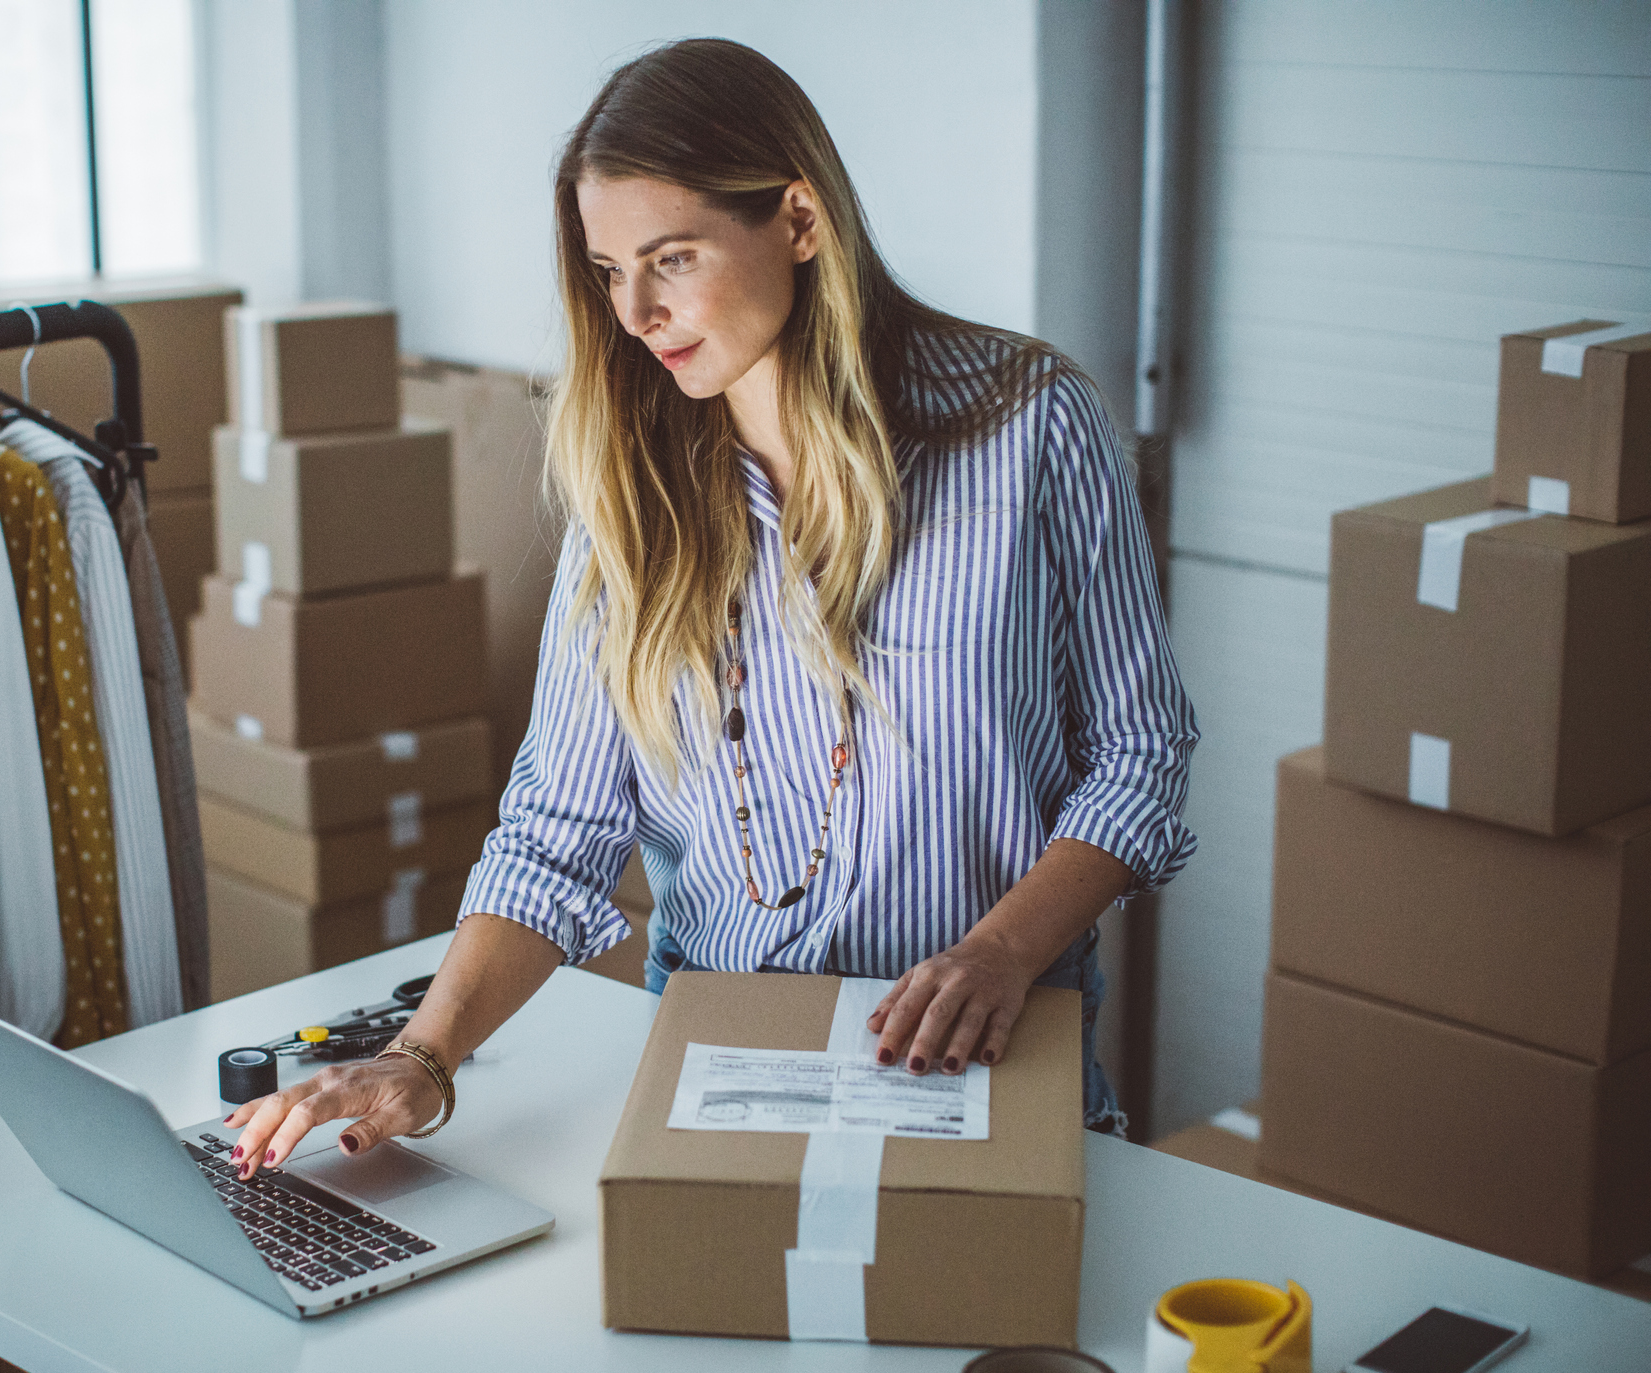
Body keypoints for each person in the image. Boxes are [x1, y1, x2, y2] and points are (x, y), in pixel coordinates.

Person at [224, 37, 1197, 1176]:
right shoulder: (631, 491)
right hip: (725, 1065)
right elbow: (556, 835)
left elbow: (1140, 754)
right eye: (605, 271)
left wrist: (998, 952)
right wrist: (422, 1059)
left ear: (798, 220)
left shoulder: (1033, 425)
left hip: (987, 1054)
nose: (635, 310)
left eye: (670, 258)